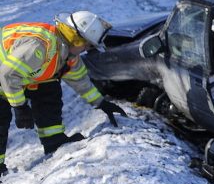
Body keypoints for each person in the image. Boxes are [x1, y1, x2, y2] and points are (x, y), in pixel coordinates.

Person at [0, 11, 127, 175]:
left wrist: (101, 103)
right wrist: (20, 106)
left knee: (49, 89)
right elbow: (7, 75)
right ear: (77, 39)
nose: (86, 50)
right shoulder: (39, 47)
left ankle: (54, 141)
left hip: (12, 76)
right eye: (87, 45)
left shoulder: (66, 53)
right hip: (4, 75)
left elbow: (80, 80)